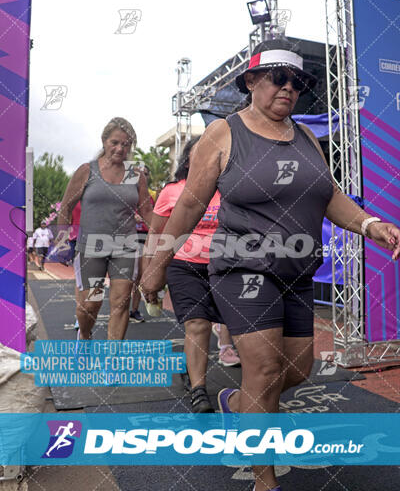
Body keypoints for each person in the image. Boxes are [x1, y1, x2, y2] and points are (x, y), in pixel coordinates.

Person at [140, 37, 400, 491]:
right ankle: (265, 480)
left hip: (296, 273)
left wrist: (370, 223)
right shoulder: (225, 132)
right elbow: (188, 207)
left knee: (296, 371)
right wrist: (158, 263)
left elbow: (329, 195)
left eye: (298, 81)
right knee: (262, 368)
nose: (289, 88)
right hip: (242, 268)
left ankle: (235, 403)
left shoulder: (304, 137)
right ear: (252, 80)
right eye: (279, 77)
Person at [143, 137, 240, 414]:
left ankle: (245, 387)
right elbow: (156, 234)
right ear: (189, 159)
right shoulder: (173, 191)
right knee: (197, 324)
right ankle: (199, 390)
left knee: (238, 324)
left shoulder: (231, 190)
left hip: (225, 265)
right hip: (184, 264)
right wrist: (151, 271)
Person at [57, 117, 153, 341]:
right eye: (115, 142)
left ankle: (112, 361)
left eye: (126, 144)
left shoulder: (134, 174)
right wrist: (61, 241)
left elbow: (147, 212)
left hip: (124, 248)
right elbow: (66, 207)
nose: (120, 148)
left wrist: (168, 234)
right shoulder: (87, 171)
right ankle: (85, 334)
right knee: (91, 304)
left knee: (121, 303)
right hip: (91, 248)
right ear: (104, 141)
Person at [129, 166, 156, 323]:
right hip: (127, 238)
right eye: (140, 175)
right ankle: (120, 309)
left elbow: (153, 217)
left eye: (146, 174)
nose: (143, 177)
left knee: (140, 276)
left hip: (144, 238)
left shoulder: (150, 197)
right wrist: (132, 217)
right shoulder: (126, 194)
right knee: (126, 278)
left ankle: (134, 310)